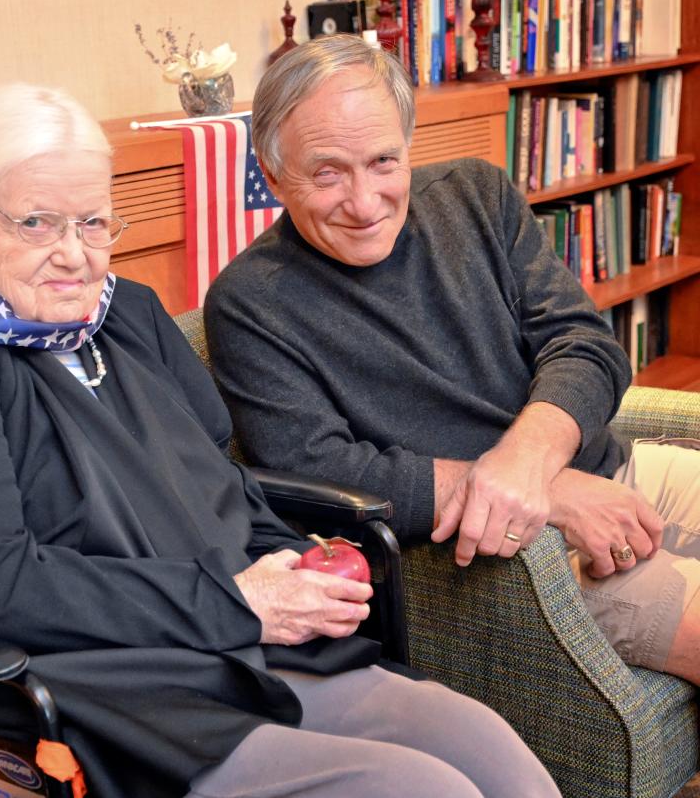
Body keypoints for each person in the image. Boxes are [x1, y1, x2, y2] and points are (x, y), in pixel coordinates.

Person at [0, 82, 561, 798]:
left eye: (92, 223)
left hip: (218, 639)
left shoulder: (126, 315)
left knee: (487, 747)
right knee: (419, 787)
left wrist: (291, 562)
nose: (75, 254)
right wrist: (237, 600)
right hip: (74, 679)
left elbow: (216, 481)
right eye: (37, 223)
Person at [203, 34, 700, 687]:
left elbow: (584, 343)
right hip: (512, 562)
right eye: (328, 172)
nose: (364, 200)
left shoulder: (478, 195)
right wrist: (546, 495)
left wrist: (530, 464)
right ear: (272, 175)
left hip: (615, 469)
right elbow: (323, 472)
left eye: (383, 161)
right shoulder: (248, 302)